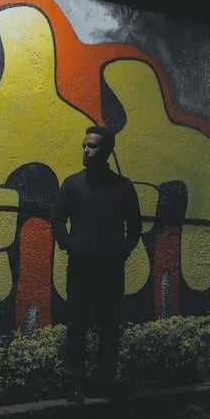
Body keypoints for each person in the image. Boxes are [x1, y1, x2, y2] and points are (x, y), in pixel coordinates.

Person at [50, 126, 142, 403]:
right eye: (84, 146)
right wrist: (69, 245)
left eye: (92, 146)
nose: (86, 151)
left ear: (107, 151)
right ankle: (74, 383)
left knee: (109, 326)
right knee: (77, 326)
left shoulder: (123, 188)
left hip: (111, 270)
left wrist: (123, 252)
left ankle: (106, 381)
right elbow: (56, 220)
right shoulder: (72, 184)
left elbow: (135, 227)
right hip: (80, 268)